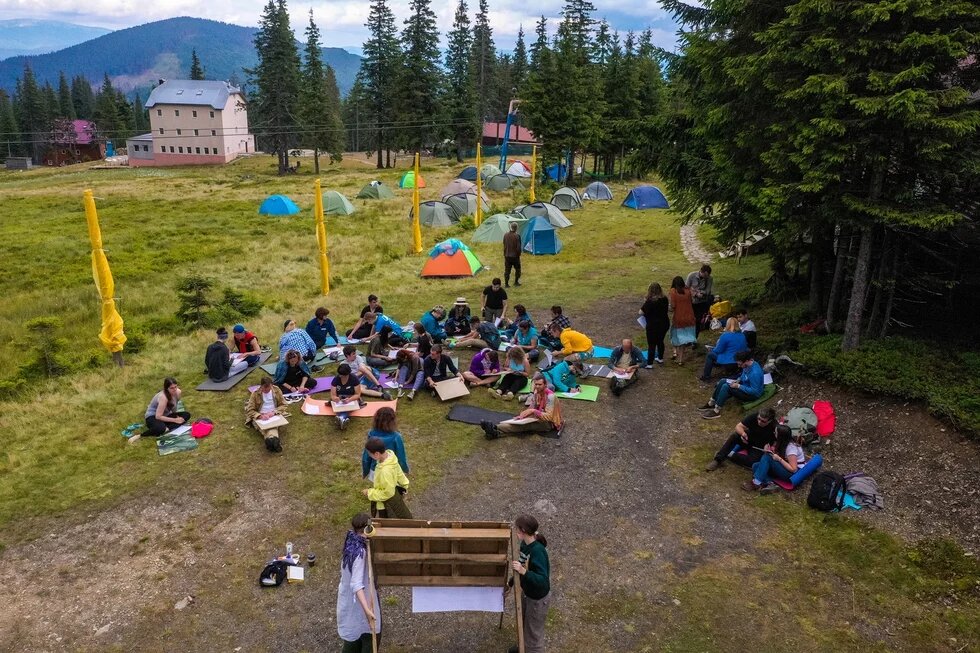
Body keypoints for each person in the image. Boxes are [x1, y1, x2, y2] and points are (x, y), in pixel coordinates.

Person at [336, 513, 381, 652]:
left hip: (349, 597)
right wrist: (367, 611)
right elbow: (356, 584)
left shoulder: (351, 540)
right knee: (367, 634)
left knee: (355, 633)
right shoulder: (359, 553)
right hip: (359, 599)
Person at [506, 514, 551, 653]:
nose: (516, 531)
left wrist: (524, 572)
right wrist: (511, 583)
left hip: (538, 599)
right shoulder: (525, 544)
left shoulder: (538, 551)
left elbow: (543, 581)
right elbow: (520, 563)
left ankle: (531, 649)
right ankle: (522, 647)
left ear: (524, 531)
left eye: (518, 529)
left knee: (533, 634)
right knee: (525, 623)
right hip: (528, 594)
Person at [482, 373, 563, 438]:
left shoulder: (550, 397)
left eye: (540, 384)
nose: (537, 386)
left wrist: (533, 411)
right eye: (536, 384)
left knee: (525, 426)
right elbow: (532, 406)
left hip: (549, 423)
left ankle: (495, 428)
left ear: (545, 385)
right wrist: (523, 415)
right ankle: (494, 431)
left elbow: (549, 417)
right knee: (520, 421)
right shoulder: (536, 393)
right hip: (537, 417)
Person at [704, 407, 777, 471]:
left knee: (754, 462)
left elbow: (778, 441)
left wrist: (771, 447)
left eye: (763, 421)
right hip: (748, 439)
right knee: (734, 436)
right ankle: (718, 460)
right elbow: (738, 426)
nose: (759, 422)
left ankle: (730, 454)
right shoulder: (754, 416)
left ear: (770, 421)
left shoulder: (775, 426)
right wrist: (743, 434)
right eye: (759, 419)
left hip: (759, 447)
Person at [699, 350, 765, 419]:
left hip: (752, 395)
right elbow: (744, 374)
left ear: (746, 361)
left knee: (726, 387)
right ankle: (711, 402)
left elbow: (754, 391)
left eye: (740, 364)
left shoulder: (755, 373)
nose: (739, 366)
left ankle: (716, 411)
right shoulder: (747, 365)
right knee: (723, 381)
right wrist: (738, 380)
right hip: (746, 385)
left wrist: (738, 386)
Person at [744, 424, 805, 492]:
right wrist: (769, 451)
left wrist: (779, 459)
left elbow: (793, 469)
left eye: (775, 432)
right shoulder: (783, 443)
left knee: (767, 458)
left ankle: (756, 483)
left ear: (780, 436)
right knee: (755, 466)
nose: (774, 433)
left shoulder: (791, 448)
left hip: (792, 475)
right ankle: (770, 483)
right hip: (785, 468)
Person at [362, 437, 412, 518]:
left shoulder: (385, 471)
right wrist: (405, 485)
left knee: (389, 523)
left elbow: (388, 493)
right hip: (394, 493)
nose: (369, 456)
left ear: (377, 454)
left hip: (386, 504)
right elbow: (399, 473)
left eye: (370, 454)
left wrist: (369, 492)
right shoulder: (391, 457)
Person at [362, 408, 409, 480]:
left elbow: (366, 457)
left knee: (378, 489)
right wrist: (405, 469)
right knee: (390, 488)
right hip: (391, 470)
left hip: (375, 470)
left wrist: (365, 471)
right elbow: (401, 456)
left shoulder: (371, 434)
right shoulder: (396, 437)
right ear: (393, 421)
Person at [699, 317, 748, 382]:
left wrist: (711, 349)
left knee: (710, 355)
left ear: (727, 325)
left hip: (729, 362)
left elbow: (718, 350)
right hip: (740, 363)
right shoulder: (742, 335)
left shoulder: (725, 335)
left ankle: (706, 376)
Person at [245, 376, 286, 452]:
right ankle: (274, 441)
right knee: (268, 427)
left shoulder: (276, 390)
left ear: (271, 385)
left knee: (271, 426)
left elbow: (284, 405)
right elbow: (250, 410)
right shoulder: (255, 393)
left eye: (269, 388)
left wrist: (273, 412)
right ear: (261, 386)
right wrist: (260, 416)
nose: (267, 390)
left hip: (274, 414)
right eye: (265, 389)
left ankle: (270, 441)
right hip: (260, 415)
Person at [668, 276, 697, 365]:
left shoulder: (673, 292)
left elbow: (672, 307)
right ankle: (680, 360)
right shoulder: (688, 291)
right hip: (689, 317)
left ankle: (675, 352)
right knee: (683, 340)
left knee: (674, 334)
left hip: (678, 318)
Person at [639, 282, 669, 366]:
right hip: (664, 324)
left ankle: (649, 364)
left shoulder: (650, 302)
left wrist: (645, 302)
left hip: (653, 326)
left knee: (651, 344)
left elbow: (640, 312)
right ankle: (660, 358)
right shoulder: (665, 299)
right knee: (660, 341)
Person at [331, 363, 365, 430]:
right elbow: (333, 395)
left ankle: (341, 418)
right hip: (340, 399)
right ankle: (342, 418)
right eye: (339, 374)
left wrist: (349, 400)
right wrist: (336, 398)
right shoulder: (336, 379)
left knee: (348, 407)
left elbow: (358, 394)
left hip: (352, 398)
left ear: (347, 374)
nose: (340, 376)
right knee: (341, 407)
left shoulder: (354, 379)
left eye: (342, 375)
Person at [686, 264, 714, 336]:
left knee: (698, 321)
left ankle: (694, 338)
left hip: (702, 302)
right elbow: (686, 288)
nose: (706, 277)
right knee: (689, 319)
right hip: (691, 302)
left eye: (707, 276)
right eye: (705, 275)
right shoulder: (691, 276)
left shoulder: (709, 278)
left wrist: (697, 291)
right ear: (701, 271)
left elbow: (708, 291)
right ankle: (688, 336)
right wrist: (695, 294)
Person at [503, 221, 523, 287]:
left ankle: (506, 284)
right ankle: (516, 282)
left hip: (507, 255)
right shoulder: (517, 236)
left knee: (507, 270)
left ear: (511, 227)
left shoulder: (505, 235)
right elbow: (518, 247)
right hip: (515, 256)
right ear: (516, 228)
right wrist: (519, 254)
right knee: (518, 269)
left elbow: (504, 243)